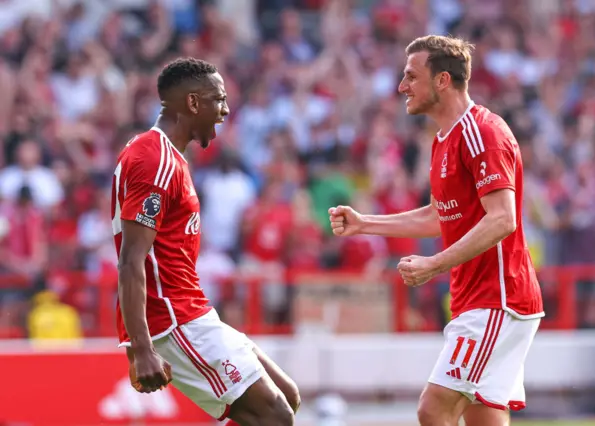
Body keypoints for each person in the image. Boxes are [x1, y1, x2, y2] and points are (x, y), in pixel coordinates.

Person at [328, 35, 544, 426]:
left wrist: (435, 264)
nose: (401, 86)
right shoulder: (444, 139)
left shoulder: (483, 133)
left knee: (434, 409)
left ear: (443, 80)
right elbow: (439, 215)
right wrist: (365, 224)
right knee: (482, 420)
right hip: (477, 300)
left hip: (498, 297)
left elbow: (503, 218)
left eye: (411, 75)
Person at [111, 58, 300, 425]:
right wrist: (141, 347)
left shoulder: (164, 155)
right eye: (219, 99)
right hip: (172, 318)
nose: (225, 110)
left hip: (191, 309)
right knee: (274, 415)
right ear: (193, 103)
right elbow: (131, 259)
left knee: (286, 397)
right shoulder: (155, 160)